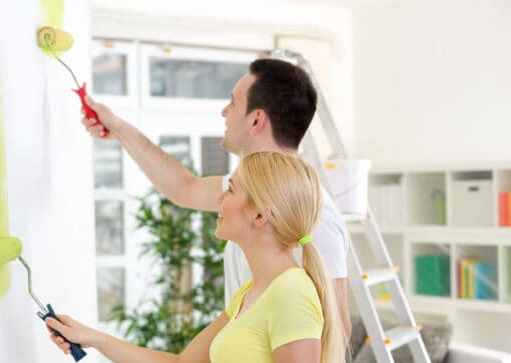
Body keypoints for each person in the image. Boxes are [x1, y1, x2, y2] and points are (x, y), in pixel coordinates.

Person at [82, 58, 352, 346]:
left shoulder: (313, 216)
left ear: (256, 120)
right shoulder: (247, 191)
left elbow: (339, 328)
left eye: (232, 103)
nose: (224, 112)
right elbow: (185, 188)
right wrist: (120, 129)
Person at [47, 151, 346, 363]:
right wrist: (92, 337)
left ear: (259, 215)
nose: (219, 198)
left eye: (231, 189)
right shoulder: (251, 294)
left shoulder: (291, 294)